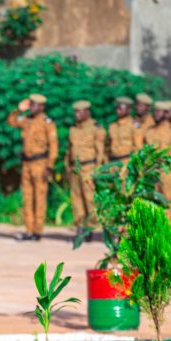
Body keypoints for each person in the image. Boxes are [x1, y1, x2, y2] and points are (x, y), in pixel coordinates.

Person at [7, 94, 58, 241]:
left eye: (35, 105)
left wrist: (50, 166)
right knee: (27, 198)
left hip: (40, 164)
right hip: (26, 164)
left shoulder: (47, 122)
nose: (32, 107)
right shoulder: (27, 120)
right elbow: (11, 121)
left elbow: (53, 146)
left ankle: (37, 231)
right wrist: (18, 109)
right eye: (31, 104)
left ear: (42, 106)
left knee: (39, 198)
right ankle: (29, 230)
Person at [66, 100, 105, 240]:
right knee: (76, 199)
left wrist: (98, 170)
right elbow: (69, 150)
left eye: (80, 111)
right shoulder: (73, 129)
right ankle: (80, 227)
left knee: (89, 199)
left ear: (87, 112)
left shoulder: (96, 128)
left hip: (89, 167)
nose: (77, 114)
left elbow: (100, 151)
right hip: (75, 168)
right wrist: (67, 167)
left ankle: (90, 228)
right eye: (75, 111)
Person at [144, 101, 171, 226]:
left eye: (159, 111)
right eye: (155, 111)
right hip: (152, 170)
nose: (156, 114)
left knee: (168, 199)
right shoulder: (149, 131)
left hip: (168, 169)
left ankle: (170, 229)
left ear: (166, 113)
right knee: (154, 199)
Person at [108, 97, 143, 172]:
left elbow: (138, 147)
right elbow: (108, 146)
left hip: (127, 163)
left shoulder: (134, 125)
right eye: (117, 108)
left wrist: (136, 166)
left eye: (121, 108)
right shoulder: (112, 126)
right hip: (113, 164)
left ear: (128, 110)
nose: (118, 110)